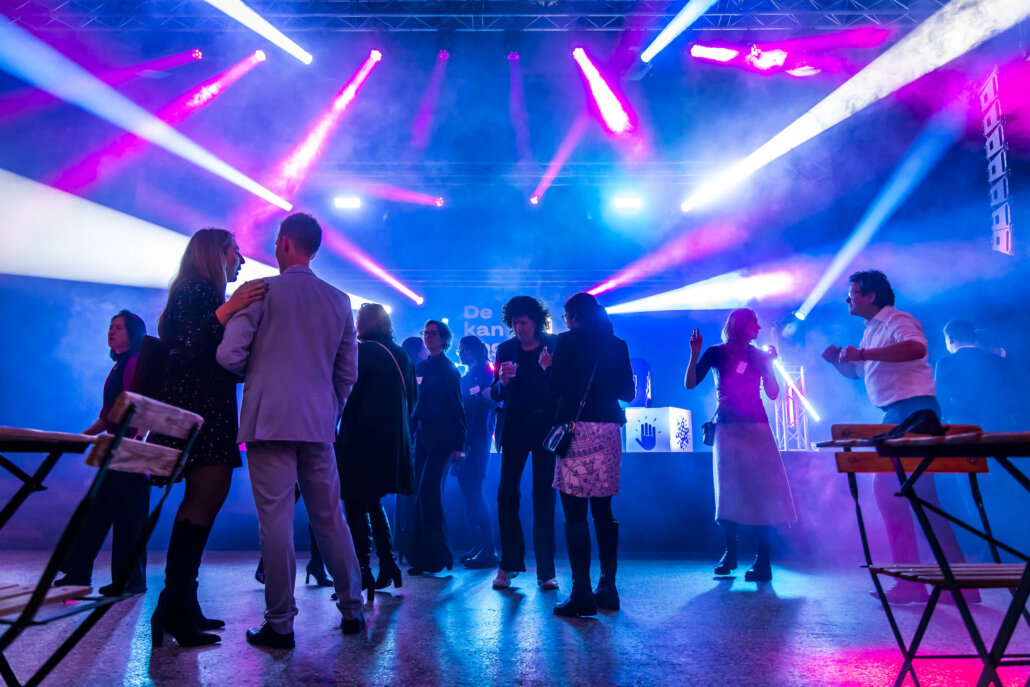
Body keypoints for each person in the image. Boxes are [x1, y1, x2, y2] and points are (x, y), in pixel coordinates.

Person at [217, 212, 365, 649]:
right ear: (313, 249)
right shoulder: (339, 300)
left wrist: (259, 374)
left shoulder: (261, 290)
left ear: (283, 242)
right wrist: (328, 410)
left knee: (276, 522)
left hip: (268, 421)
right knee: (330, 517)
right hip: (318, 424)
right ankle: (353, 609)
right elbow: (347, 374)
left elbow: (228, 357)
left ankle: (280, 622)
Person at [822, 270, 971, 604]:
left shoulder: (897, 319)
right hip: (904, 414)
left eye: (853, 294)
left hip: (914, 412)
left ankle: (913, 582)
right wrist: (836, 362)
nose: (848, 299)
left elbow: (915, 348)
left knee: (889, 492)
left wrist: (863, 355)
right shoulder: (871, 329)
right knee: (923, 499)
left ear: (870, 296)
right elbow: (857, 373)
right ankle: (960, 582)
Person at [150, 228, 268, 648]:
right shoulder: (196, 289)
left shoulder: (198, 290)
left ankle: (179, 602)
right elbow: (186, 344)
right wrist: (230, 308)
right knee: (203, 501)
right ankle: (176, 607)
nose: (241, 260)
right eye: (235, 251)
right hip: (201, 411)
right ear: (215, 253)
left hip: (205, 409)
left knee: (202, 502)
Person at [685, 308, 796, 584]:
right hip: (728, 427)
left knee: (762, 492)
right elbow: (690, 384)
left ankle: (762, 560)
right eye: (754, 324)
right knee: (728, 491)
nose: (759, 328)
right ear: (740, 326)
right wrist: (694, 354)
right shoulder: (716, 352)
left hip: (756, 427)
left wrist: (770, 365)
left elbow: (773, 393)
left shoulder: (758, 356)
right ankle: (731, 553)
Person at [545, 294, 634, 617]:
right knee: (603, 511)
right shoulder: (618, 344)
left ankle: (581, 591)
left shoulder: (566, 342)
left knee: (574, 514)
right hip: (608, 430)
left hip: (578, 430)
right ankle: (608, 588)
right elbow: (629, 393)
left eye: (566, 316)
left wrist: (548, 368)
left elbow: (555, 390)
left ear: (574, 316)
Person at [54, 311, 150, 596]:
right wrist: (81, 437)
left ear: (133, 333)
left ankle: (122, 580)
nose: (112, 331)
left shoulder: (134, 363)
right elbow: (107, 416)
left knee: (123, 517)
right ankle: (83, 574)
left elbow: (142, 408)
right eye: (110, 327)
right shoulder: (118, 367)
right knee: (100, 512)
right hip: (118, 450)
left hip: (128, 452)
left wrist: (134, 441)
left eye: (118, 327)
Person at [336, 303, 417, 594]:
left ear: (362, 323)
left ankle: (361, 572)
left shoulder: (361, 352)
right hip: (391, 441)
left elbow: (346, 394)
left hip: (360, 439)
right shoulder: (401, 354)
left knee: (355, 504)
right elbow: (413, 398)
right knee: (372, 501)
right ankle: (389, 564)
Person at [490, 296, 559, 591]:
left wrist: (549, 370)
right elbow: (495, 393)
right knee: (507, 495)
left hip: (545, 429)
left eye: (524, 322)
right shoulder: (506, 349)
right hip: (515, 427)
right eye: (515, 322)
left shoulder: (553, 345)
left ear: (536, 322)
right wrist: (502, 382)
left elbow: (563, 388)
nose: (519, 328)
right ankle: (509, 564)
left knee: (544, 497)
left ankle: (546, 571)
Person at [407, 320, 466, 575]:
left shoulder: (449, 370)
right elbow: (415, 404)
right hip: (422, 437)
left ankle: (437, 556)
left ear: (443, 338)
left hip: (441, 438)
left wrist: (458, 444)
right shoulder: (422, 367)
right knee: (422, 494)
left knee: (428, 492)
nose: (427, 337)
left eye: (432, 333)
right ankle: (426, 557)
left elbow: (457, 408)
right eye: (426, 333)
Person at [456, 335, 499, 569]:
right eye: (459, 349)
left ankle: (488, 548)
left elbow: (489, 405)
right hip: (467, 441)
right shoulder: (468, 376)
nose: (460, 353)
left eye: (464, 349)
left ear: (474, 350)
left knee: (474, 491)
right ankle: (479, 545)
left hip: (478, 441)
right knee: (469, 491)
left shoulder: (486, 374)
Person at [935, 319, 1013, 429]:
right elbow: (1011, 391)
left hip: (963, 424)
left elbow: (941, 397)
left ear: (950, 339)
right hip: (999, 422)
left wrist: (945, 417)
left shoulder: (945, 363)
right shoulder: (997, 360)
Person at [395, 336, 429, 564]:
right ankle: (413, 546)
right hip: (416, 439)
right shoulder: (420, 373)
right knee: (414, 492)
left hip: (405, 437)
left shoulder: (401, 372)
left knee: (405, 492)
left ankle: (403, 544)